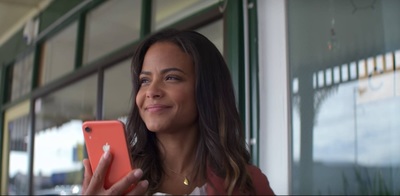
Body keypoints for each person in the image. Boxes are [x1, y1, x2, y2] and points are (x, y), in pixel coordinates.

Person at [82, 29, 275, 195]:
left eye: (171, 78)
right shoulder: (115, 180)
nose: (151, 92)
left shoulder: (248, 183)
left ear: (207, 90)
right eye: (144, 81)